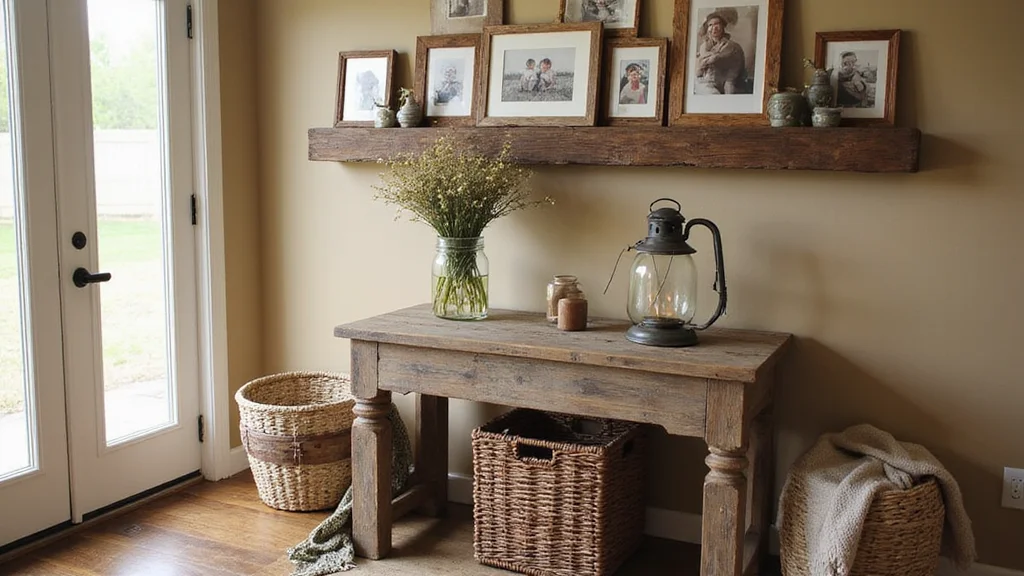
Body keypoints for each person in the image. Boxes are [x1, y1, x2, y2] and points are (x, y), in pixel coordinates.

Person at [694, 11, 747, 95]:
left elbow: (714, 59)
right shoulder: (704, 46)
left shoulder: (731, 45)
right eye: (710, 25)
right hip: (705, 83)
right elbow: (698, 71)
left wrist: (705, 59)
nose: (714, 27)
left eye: (717, 24)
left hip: (728, 82)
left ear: (723, 27)